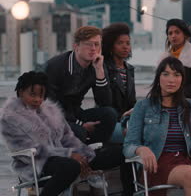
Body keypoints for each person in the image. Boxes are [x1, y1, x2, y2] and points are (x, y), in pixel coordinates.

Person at [0, 71, 128, 196]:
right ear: (21, 92)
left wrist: (83, 156)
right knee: (70, 166)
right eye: (32, 95)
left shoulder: (51, 111)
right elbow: (29, 149)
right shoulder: (11, 117)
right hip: (36, 163)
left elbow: (68, 137)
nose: (37, 100)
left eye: (41, 95)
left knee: (122, 152)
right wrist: (69, 155)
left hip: (64, 159)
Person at [123, 57, 191, 196]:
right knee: (189, 174)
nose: (171, 80)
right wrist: (140, 149)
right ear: (158, 78)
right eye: (166, 74)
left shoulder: (189, 106)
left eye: (176, 75)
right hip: (156, 165)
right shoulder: (143, 106)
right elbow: (128, 145)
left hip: (184, 160)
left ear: (182, 79)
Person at [44, 26, 117, 144]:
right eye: (88, 44)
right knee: (79, 131)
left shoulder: (98, 65)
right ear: (76, 46)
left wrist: (100, 72)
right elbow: (51, 105)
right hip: (53, 117)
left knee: (109, 114)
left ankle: (95, 150)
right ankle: (82, 153)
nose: (93, 49)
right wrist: (80, 124)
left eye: (97, 44)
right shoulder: (55, 66)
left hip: (75, 112)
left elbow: (105, 102)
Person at [160, 18, 191, 114]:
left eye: (177, 32)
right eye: (170, 33)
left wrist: (173, 93)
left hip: (190, 107)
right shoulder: (164, 58)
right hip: (166, 105)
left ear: (185, 34)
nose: (173, 36)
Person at [101, 23, 136, 143]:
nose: (125, 47)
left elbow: (132, 102)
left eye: (128, 43)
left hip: (128, 121)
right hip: (111, 122)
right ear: (111, 46)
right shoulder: (104, 67)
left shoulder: (129, 69)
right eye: (120, 43)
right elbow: (105, 102)